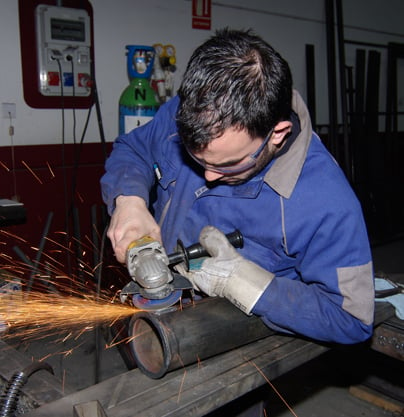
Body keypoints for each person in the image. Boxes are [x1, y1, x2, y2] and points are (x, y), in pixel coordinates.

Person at [101, 28, 375, 344]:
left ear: (278, 133)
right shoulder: (191, 112)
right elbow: (134, 148)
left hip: (238, 342)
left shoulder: (326, 202)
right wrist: (129, 200)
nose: (208, 176)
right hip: (161, 321)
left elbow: (351, 319)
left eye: (228, 164)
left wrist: (246, 283)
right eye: (195, 156)